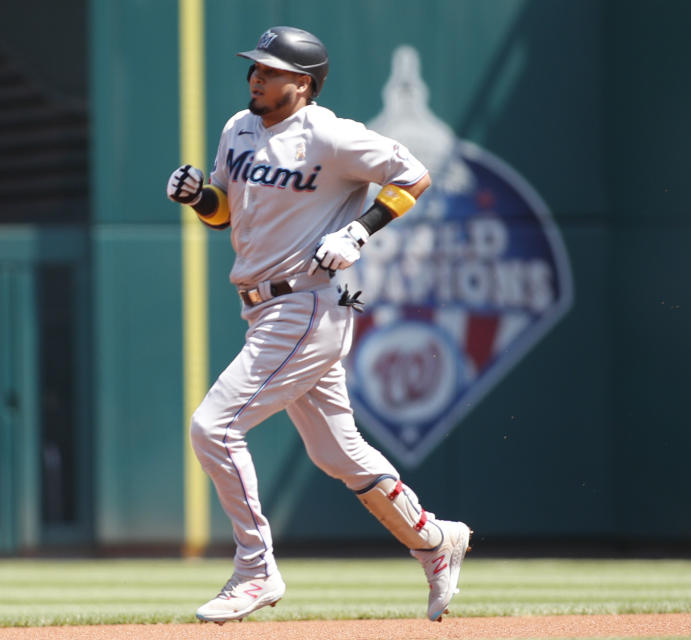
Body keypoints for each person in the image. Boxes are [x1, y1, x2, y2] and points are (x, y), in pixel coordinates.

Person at [166, 26, 471, 625]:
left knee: (213, 426)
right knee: (338, 452)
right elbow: (225, 214)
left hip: (307, 303)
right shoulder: (238, 127)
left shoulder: (329, 134)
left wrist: (360, 230)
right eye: (255, 67)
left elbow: (413, 175)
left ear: (302, 85)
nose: (256, 75)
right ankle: (435, 541)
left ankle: (256, 570)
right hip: (262, 306)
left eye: (271, 70)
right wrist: (201, 195)